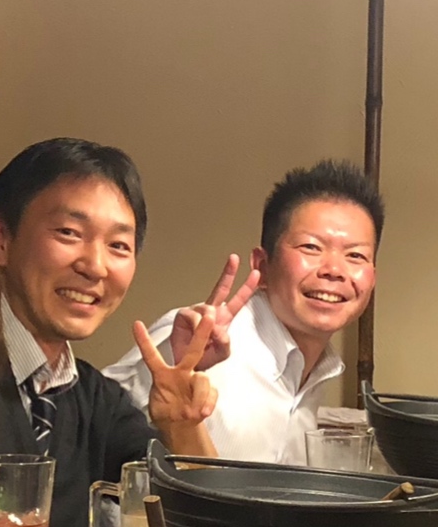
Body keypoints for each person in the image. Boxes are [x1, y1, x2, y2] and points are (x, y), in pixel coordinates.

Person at [0, 139, 229, 527]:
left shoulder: (96, 401)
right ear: (0, 239)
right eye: (69, 233)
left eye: (118, 245)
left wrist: (184, 426)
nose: (95, 266)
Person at [109, 160, 381, 466]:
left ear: (373, 277)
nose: (334, 270)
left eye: (355, 255)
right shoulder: (198, 340)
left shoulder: (319, 370)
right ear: (262, 265)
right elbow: (93, 423)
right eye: (311, 247)